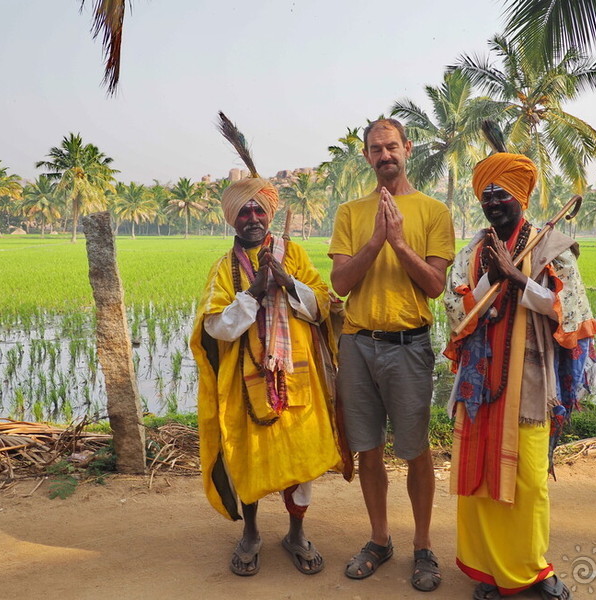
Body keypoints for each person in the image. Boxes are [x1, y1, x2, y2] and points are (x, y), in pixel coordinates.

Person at [443, 153, 596, 600]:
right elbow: (456, 311)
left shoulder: (552, 247)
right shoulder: (472, 251)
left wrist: (518, 280)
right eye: (487, 194)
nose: (493, 202)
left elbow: (569, 312)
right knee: (481, 479)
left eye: (502, 194)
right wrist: (485, 282)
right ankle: (488, 571)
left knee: (528, 482)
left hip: (531, 386)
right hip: (478, 386)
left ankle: (534, 569)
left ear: (521, 198)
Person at [190, 176, 344, 577]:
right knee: (250, 457)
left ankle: (296, 534)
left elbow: (323, 305)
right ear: (233, 220)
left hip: (299, 377)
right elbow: (214, 327)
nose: (253, 218)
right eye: (244, 211)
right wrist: (256, 289)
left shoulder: (292, 254)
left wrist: (287, 281)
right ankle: (252, 533)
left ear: (269, 213)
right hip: (245, 382)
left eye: (259, 210)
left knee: (301, 457)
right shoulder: (224, 269)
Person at [328, 118, 455, 592]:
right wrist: (376, 240)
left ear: (408, 148)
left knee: (416, 449)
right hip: (358, 345)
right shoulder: (350, 212)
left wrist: (399, 241)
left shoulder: (433, 212)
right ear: (366, 156)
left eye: (391, 147)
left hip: (409, 346)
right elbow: (340, 284)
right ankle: (380, 540)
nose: (385, 155)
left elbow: (437, 286)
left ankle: (423, 545)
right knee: (367, 449)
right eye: (375, 149)